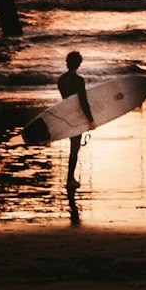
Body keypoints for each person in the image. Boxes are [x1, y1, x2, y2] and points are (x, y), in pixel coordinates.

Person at [57, 49, 94, 187]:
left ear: (67, 63)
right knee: (74, 149)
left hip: (67, 116)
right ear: (79, 64)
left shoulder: (61, 80)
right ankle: (69, 180)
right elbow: (83, 102)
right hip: (77, 117)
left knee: (73, 147)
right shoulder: (79, 80)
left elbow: (66, 100)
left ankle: (70, 178)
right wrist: (90, 120)